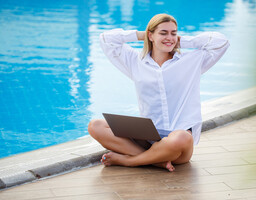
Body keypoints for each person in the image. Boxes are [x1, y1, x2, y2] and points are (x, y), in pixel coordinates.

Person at [87, 13, 230, 172]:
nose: (169, 37)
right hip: (147, 136)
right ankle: (156, 161)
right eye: (163, 33)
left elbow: (221, 42)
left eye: (173, 33)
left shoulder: (191, 61)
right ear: (151, 35)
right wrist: (143, 35)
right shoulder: (135, 61)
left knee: (181, 137)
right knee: (95, 126)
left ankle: (130, 161)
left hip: (177, 142)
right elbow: (107, 38)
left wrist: (178, 40)